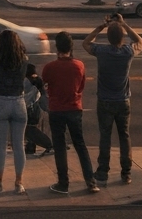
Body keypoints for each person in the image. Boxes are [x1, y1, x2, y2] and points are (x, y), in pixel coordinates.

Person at [85, 14, 142, 185]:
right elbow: (141, 42)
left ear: (108, 38)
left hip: (104, 101)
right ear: (122, 37)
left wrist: (101, 27)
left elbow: (86, 43)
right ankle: (126, 172)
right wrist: (124, 24)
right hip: (123, 101)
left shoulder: (102, 51)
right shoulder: (128, 52)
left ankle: (103, 171)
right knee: (124, 136)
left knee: (105, 136)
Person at [41, 31, 97, 195]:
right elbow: (81, 86)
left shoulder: (50, 67)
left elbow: (45, 83)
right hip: (74, 108)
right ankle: (91, 181)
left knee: (59, 147)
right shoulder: (79, 65)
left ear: (57, 47)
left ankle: (63, 183)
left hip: (57, 109)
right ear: (71, 47)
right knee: (80, 145)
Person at [0, 30, 30, 195]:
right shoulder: (23, 61)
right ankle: (19, 183)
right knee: (19, 146)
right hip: (18, 102)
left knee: (0, 147)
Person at [22, 65, 54, 157]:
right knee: (30, 128)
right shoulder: (37, 81)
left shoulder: (27, 82)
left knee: (29, 130)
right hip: (35, 108)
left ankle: (49, 145)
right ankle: (30, 148)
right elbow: (43, 95)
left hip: (30, 108)